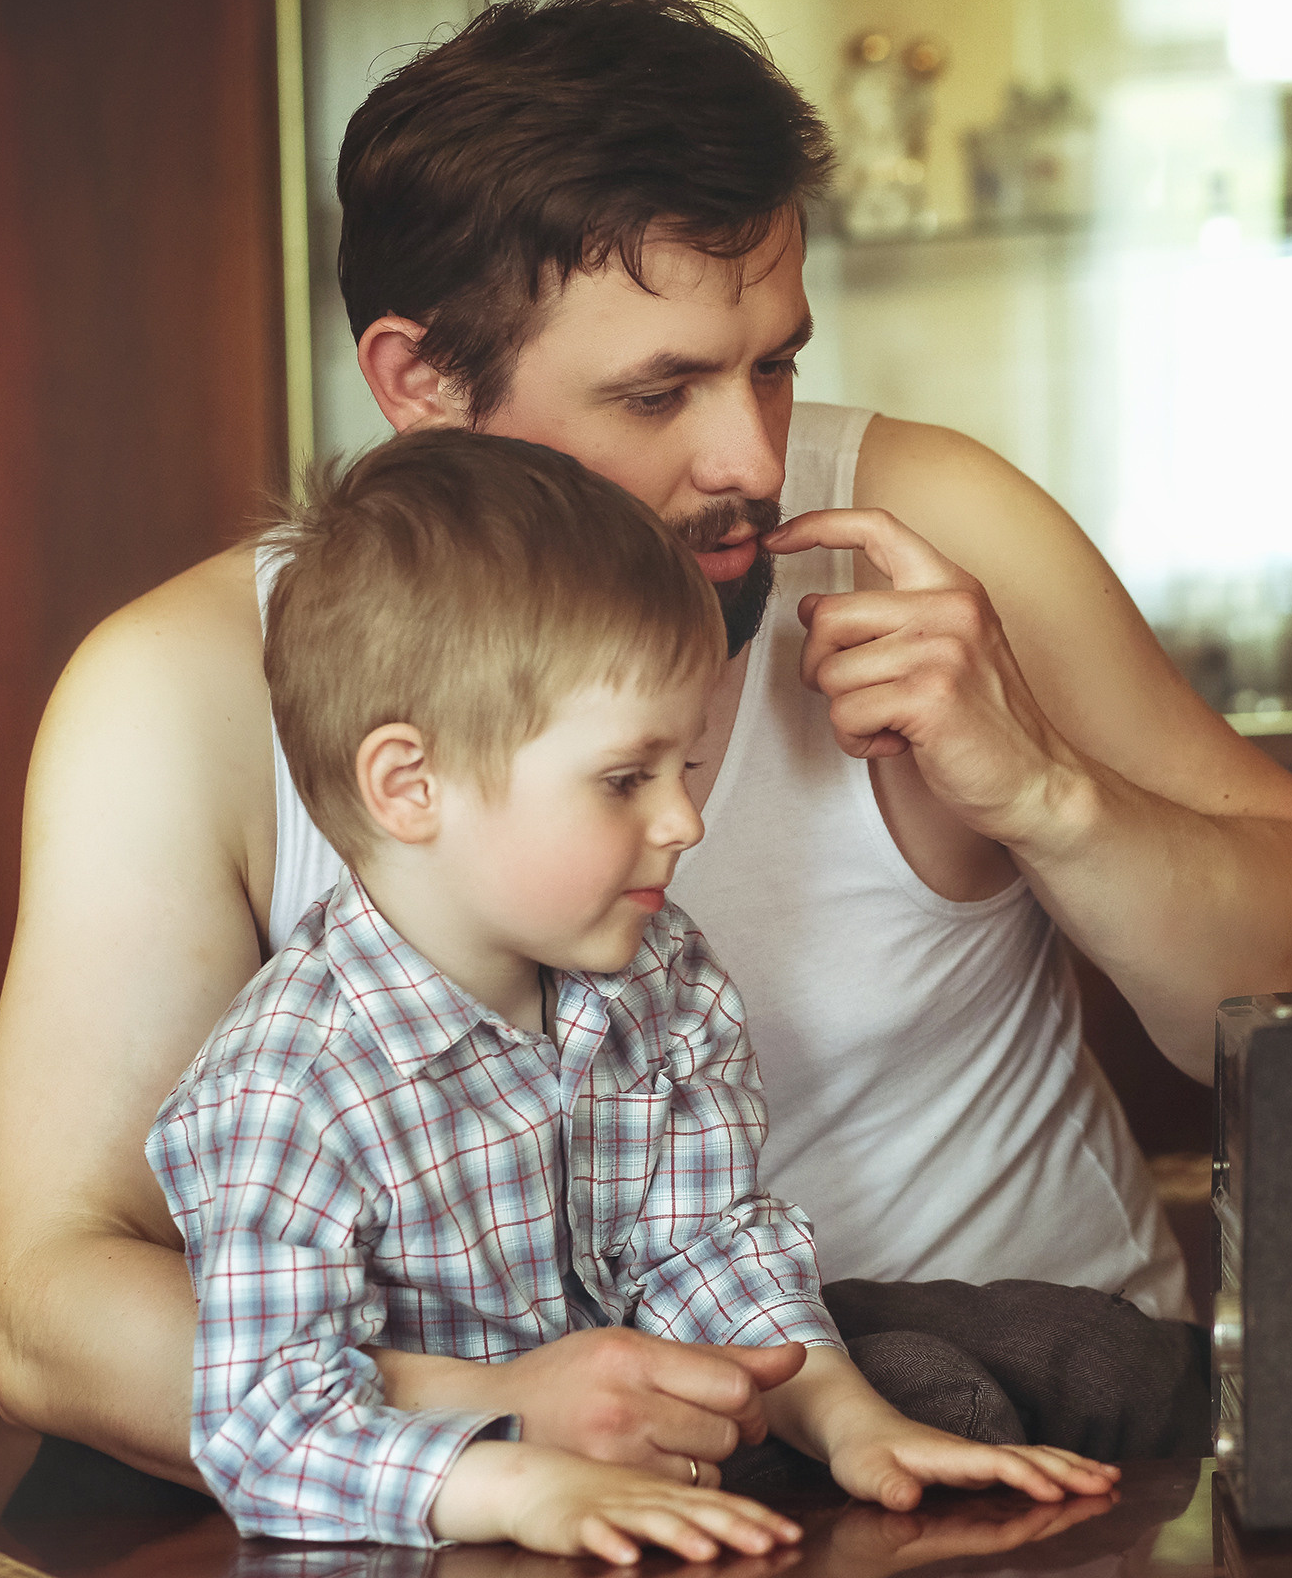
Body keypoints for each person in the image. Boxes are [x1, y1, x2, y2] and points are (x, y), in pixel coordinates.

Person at [0, 0, 1292, 1487]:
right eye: (659, 392)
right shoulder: (185, 694)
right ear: (419, 386)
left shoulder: (936, 531)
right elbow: (41, 1304)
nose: (754, 458)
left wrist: (1053, 797)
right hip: (536, 1487)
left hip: (1031, 1436)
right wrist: (493, 1408)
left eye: (772, 359)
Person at [150, 430, 1114, 1555]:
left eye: (687, 765)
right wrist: (521, 1488)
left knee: (1041, 1352)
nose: (684, 821)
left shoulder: (663, 978)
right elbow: (264, 1422)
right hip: (418, 1531)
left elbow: (704, 1248)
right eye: (626, 779)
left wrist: (852, 1423)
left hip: (647, 1491)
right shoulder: (290, 1084)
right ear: (410, 786)